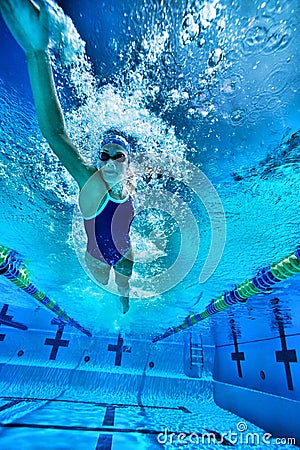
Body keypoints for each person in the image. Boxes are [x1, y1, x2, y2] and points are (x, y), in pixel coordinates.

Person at [0, 0, 135, 313]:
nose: (111, 160)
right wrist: (37, 54)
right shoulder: (92, 183)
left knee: (125, 285)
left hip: (126, 254)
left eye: (119, 156)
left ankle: (124, 296)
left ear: (128, 162)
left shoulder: (129, 184)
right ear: (98, 161)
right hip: (98, 258)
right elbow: (54, 133)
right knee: (103, 278)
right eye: (105, 155)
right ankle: (113, 291)